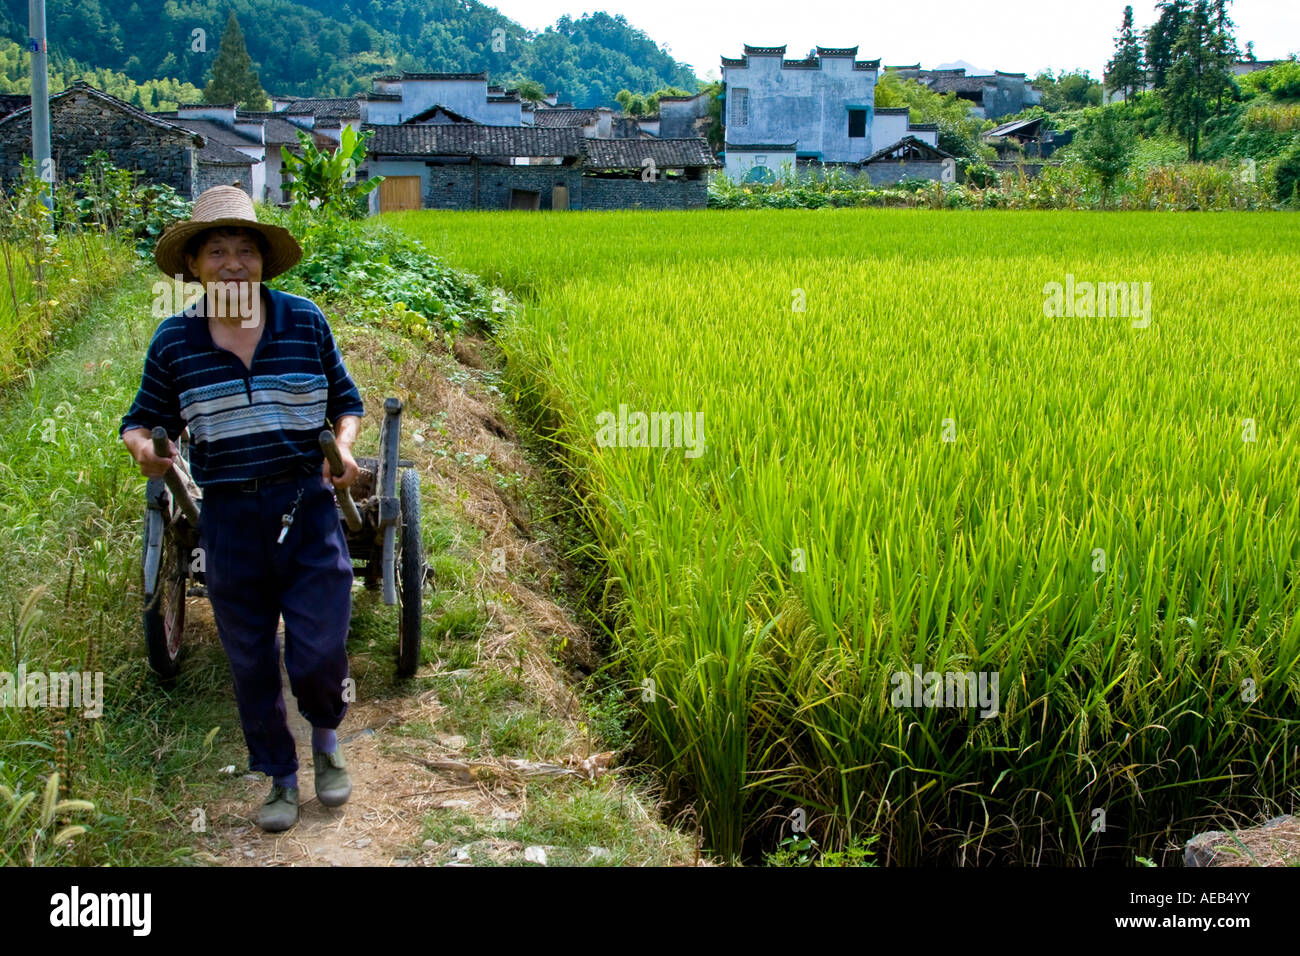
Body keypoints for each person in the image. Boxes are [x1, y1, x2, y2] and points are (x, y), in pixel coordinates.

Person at [119, 185, 364, 832]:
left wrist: (341, 449)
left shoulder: (305, 321)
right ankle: (280, 776)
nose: (233, 263)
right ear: (195, 266)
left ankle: (326, 743)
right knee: (250, 657)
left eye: (245, 250)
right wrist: (146, 450)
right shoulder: (175, 342)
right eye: (218, 250)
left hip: (307, 509)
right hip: (227, 516)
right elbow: (142, 422)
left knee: (316, 652)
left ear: (263, 261)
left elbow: (347, 400)